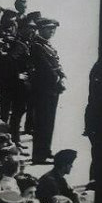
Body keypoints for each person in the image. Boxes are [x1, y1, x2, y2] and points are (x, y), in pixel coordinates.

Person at [25, 16, 64, 164]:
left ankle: (45, 150)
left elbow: (56, 63)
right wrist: (58, 79)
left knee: (49, 121)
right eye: (49, 28)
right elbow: (45, 68)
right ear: (41, 29)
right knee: (42, 122)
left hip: (50, 88)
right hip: (43, 88)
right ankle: (39, 156)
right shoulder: (37, 45)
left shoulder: (46, 45)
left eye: (53, 29)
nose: (52, 31)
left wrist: (62, 75)